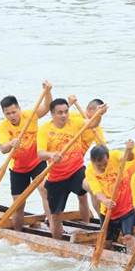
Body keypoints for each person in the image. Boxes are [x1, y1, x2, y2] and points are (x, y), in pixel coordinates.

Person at [37, 98, 107, 239]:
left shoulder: (75, 122)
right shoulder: (44, 129)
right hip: (57, 177)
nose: (64, 115)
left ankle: (104, 225)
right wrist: (51, 154)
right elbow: (40, 154)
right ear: (52, 114)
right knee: (56, 216)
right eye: (60, 113)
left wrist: (99, 114)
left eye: (66, 112)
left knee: (95, 188)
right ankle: (57, 245)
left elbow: (93, 123)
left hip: (77, 171)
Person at [0, 81, 53, 230]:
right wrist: (11, 144)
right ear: (4, 114)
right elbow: (3, 149)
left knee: (45, 190)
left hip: (37, 162)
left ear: (19, 109)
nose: (12, 116)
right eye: (8, 114)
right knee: (18, 204)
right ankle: (18, 233)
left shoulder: (30, 115)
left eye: (14, 112)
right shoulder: (3, 127)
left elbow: (47, 107)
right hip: (18, 169)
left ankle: (53, 225)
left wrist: (47, 92)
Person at [86, 141, 135, 252]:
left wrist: (130, 150)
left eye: (105, 164)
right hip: (108, 210)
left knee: (128, 237)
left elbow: (129, 157)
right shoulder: (90, 171)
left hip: (126, 207)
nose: (103, 167)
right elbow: (96, 192)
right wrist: (105, 200)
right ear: (92, 161)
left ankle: (132, 263)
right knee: (107, 242)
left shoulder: (114, 156)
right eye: (99, 165)